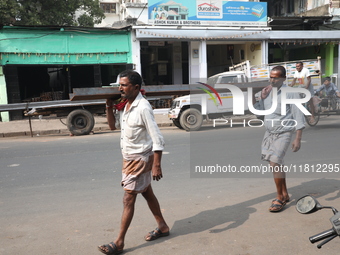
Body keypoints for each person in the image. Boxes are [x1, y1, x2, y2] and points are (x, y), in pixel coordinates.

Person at [98, 70, 169, 254]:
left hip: (140, 159)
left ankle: (119, 242)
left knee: (128, 198)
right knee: (146, 192)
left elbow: (158, 138)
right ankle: (162, 226)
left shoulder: (143, 107)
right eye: (119, 85)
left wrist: (157, 165)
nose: (120, 88)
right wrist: (108, 106)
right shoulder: (126, 105)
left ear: (136, 87)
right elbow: (113, 127)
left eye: (124, 85)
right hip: (129, 158)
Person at [254, 66, 305, 212]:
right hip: (269, 134)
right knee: (277, 164)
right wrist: (261, 97)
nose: (272, 80)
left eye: (275, 77)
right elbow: (259, 110)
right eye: (271, 77)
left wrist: (298, 138)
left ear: (283, 78)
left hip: (284, 133)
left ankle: (279, 197)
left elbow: (298, 115)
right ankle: (285, 193)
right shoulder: (267, 92)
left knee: (275, 163)